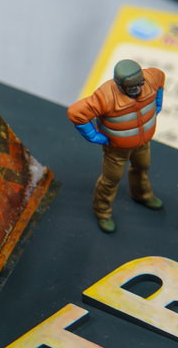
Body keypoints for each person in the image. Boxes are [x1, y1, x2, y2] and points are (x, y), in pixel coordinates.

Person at [67, 59, 165, 234]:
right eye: (132, 87)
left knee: (142, 167)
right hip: (116, 149)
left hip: (143, 143)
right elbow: (76, 112)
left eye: (139, 84)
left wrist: (158, 103)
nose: (137, 89)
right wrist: (94, 136)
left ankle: (142, 195)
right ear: (120, 85)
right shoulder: (106, 96)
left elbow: (160, 77)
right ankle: (102, 212)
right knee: (111, 180)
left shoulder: (151, 78)